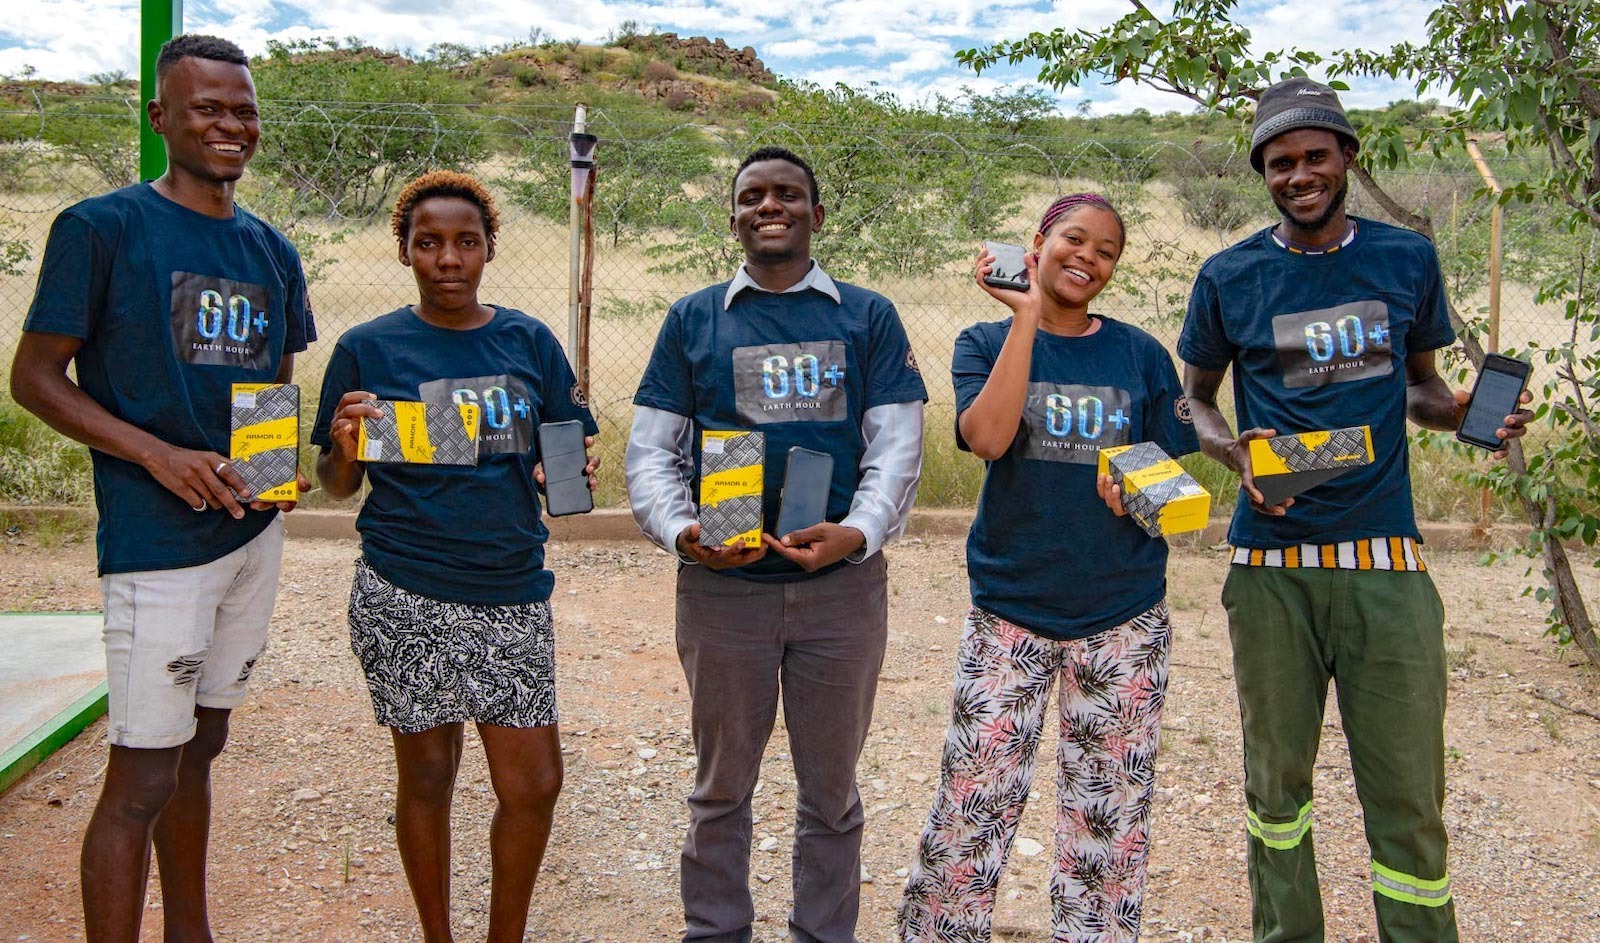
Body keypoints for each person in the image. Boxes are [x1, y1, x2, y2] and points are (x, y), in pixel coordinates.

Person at [1176, 78, 1533, 943]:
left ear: (1346, 158)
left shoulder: (1404, 258)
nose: (1298, 174)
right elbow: (1194, 400)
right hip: (1270, 570)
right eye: (1279, 162)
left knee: (1409, 793)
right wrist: (1229, 451)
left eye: (1314, 156)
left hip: (1384, 565)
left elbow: (1420, 387)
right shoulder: (1229, 275)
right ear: (1264, 172)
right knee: (1276, 788)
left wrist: (1465, 417)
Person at [7, 34, 314, 943]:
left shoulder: (269, 248)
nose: (231, 125)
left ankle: (191, 929)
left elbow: (270, 380)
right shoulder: (101, 228)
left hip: (251, 536)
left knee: (201, 748)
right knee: (141, 775)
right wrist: (157, 455)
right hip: (154, 539)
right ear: (161, 118)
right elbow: (34, 377)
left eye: (244, 109)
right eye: (208, 108)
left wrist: (273, 468)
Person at [626, 145, 927, 943]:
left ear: (817, 215)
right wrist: (684, 530)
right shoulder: (694, 318)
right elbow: (653, 450)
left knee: (831, 791)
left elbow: (894, 444)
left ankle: (822, 934)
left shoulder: (866, 316)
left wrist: (856, 535)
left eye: (788, 194)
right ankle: (715, 930)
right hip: (723, 593)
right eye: (752, 195)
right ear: (732, 217)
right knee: (721, 787)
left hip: (841, 594)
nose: (771, 206)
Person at [896, 194, 1197, 943]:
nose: (1086, 257)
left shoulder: (1140, 355)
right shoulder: (982, 340)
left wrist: (1141, 487)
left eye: (1105, 251)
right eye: (1073, 238)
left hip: (1122, 616)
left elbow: (1174, 484)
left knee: (1108, 816)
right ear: (1038, 243)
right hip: (1011, 609)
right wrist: (1024, 317)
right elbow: (989, 439)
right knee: (972, 803)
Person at [311, 170, 597, 943]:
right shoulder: (366, 347)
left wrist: (563, 471)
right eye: (428, 242)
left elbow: (564, 457)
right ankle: (437, 935)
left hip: (509, 585)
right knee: (428, 776)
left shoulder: (530, 341)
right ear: (404, 251)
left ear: (489, 250)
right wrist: (341, 447)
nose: (447, 258)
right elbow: (335, 484)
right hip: (406, 587)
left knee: (533, 784)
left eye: (465, 242)